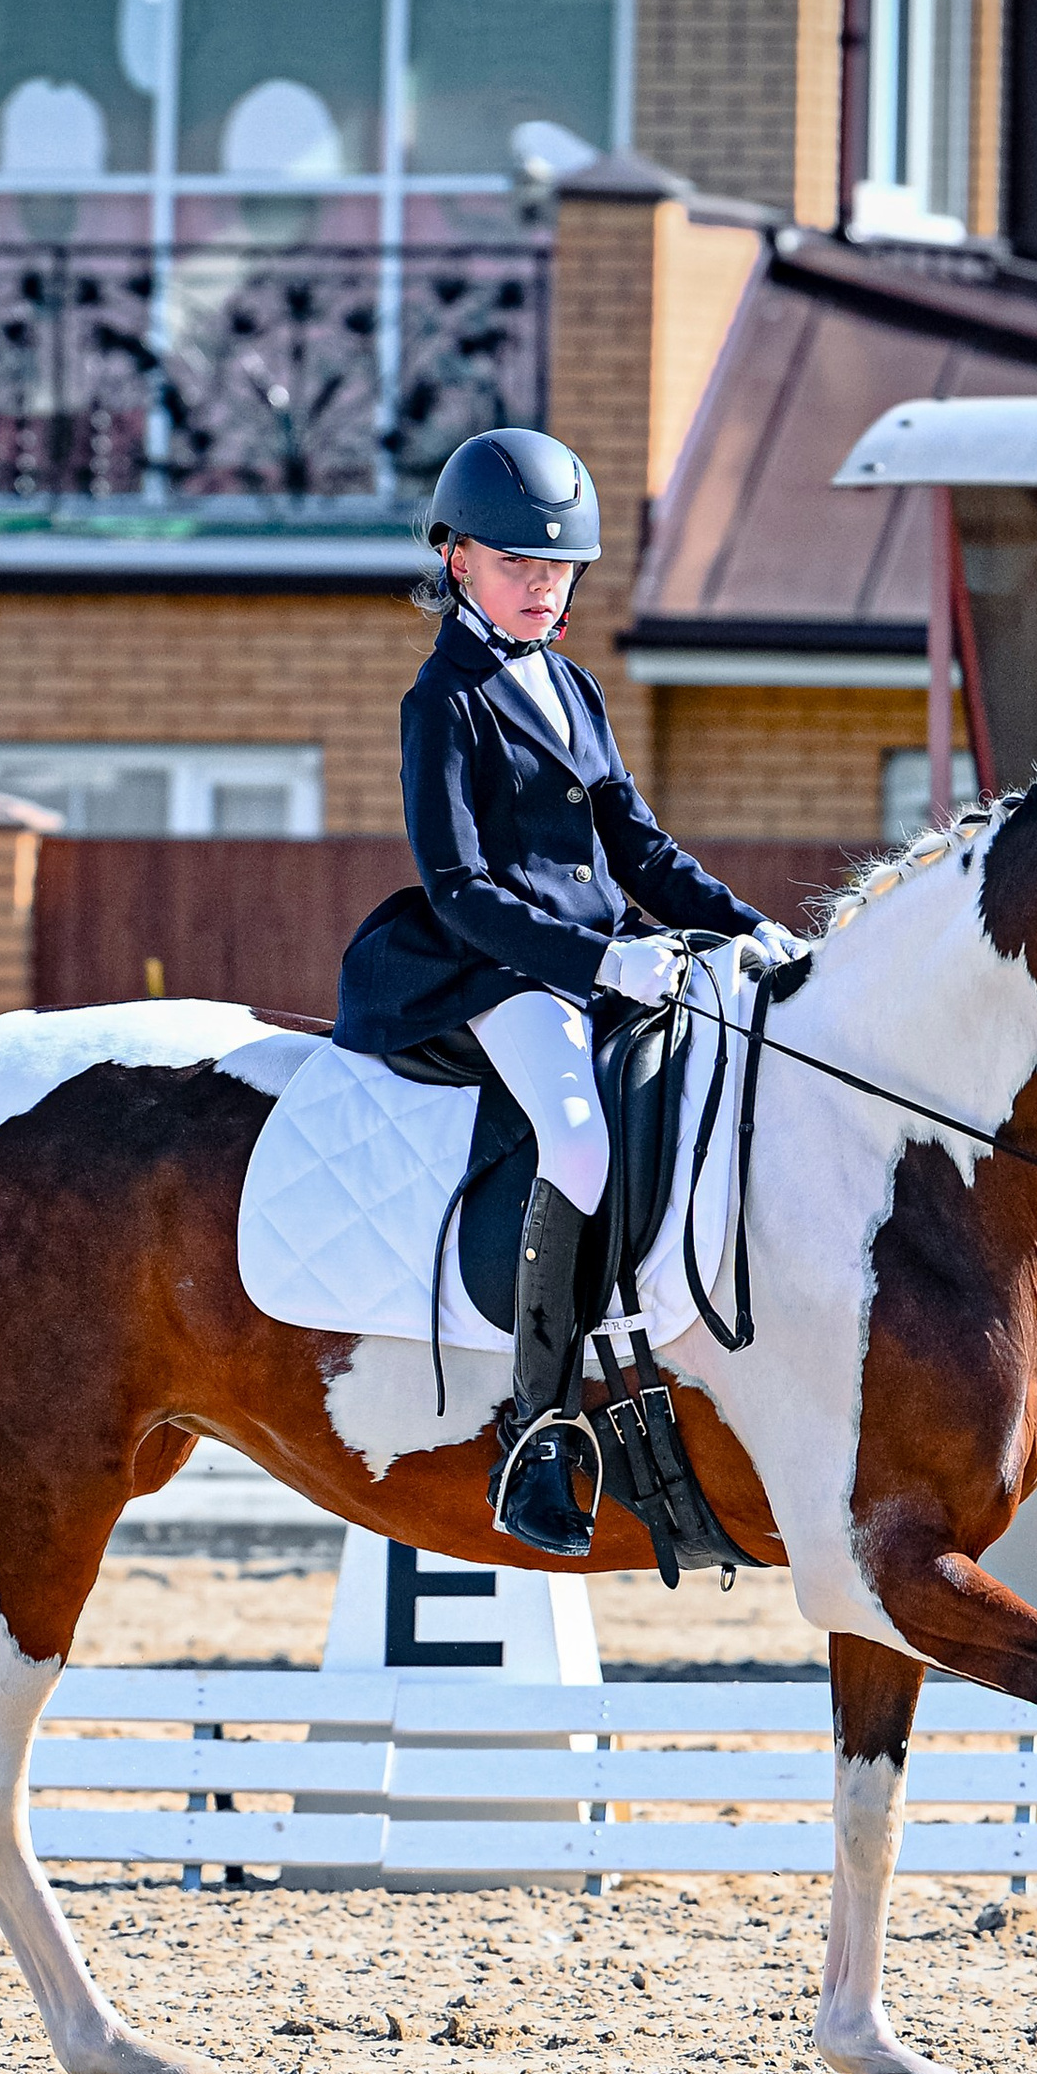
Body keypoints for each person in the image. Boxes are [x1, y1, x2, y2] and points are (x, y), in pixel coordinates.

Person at [330, 429, 804, 1555]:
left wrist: (750, 932)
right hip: (492, 964)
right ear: (457, 561)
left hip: (597, 958)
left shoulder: (573, 685)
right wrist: (600, 963)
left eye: (558, 569)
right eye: (517, 566)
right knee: (579, 1141)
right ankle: (535, 1429)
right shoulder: (440, 699)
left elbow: (639, 850)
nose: (543, 586)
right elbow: (459, 888)